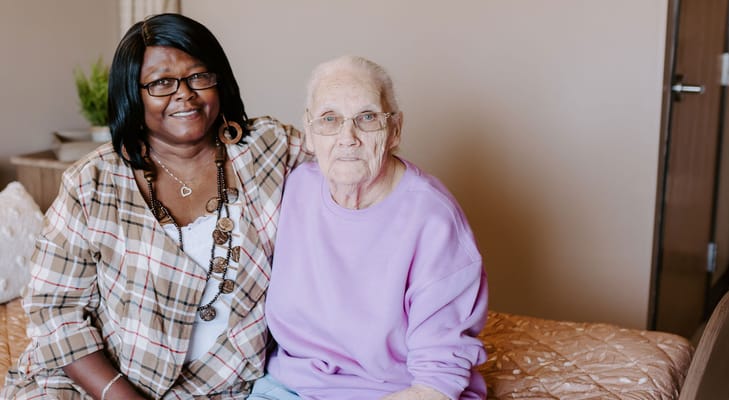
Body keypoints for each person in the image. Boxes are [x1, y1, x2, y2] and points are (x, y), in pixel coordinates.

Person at [2, 13, 308, 399]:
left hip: (222, 385)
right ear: (133, 92)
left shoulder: (269, 148)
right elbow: (54, 310)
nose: (185, 94)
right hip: (97, 381)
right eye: (162, 83)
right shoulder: (92, 182)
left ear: (220, 80)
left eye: (199, 76)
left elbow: (354, 166)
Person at [249, 56, 488, 400]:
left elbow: (436, 382)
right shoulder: (294, 188)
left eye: (367, 118)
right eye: (329, 119)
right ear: (310, 132)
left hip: (398, 392)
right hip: (291, 388)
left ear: (394, 131)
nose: (348, 137)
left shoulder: (434, 220)